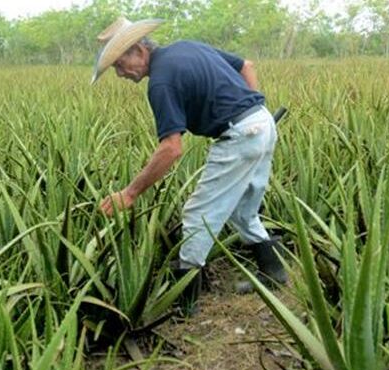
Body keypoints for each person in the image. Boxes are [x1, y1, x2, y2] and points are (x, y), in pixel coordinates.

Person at [91, 17, 287, 301]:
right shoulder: (187, 46)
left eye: (120, 65)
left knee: (197, 214)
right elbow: (247, 65)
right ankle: (273, 272)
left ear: (140, 50)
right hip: (262, 123)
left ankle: (186, 298)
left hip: (240, 136)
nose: (121, 74)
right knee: (243, 208)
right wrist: (255, 110)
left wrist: (130, 193)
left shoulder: (161, 83)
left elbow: (171, 149)